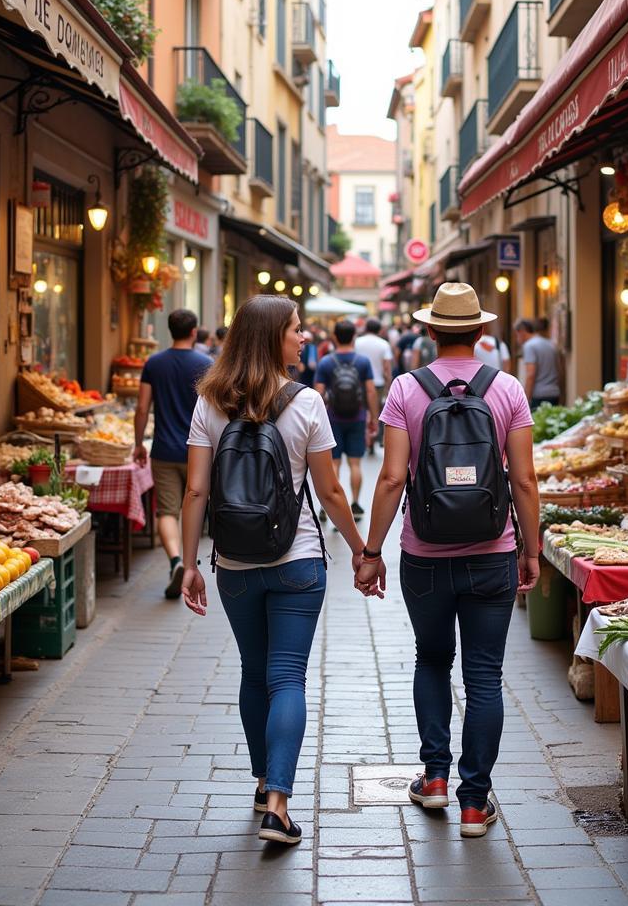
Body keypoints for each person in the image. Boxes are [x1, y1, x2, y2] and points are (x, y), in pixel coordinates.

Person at [178, 296, 369, 846]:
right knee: (287, 676)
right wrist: (361, 550)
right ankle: (279, 806)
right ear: (270, 338)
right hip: (298, 560)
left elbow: (195, 490)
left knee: (252, 672)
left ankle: (264, 784)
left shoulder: (209, 402)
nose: (304, 336)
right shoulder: (306, 402)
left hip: (234, 564)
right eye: (294, 329)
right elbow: (331, 491)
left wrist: (189, 564)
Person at [357, 282, 541, 838]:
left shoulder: (405, 390)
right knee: (484, 675)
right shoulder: (506, 388)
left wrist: (371, 552)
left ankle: (435, 778)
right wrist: (531, 551)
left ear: (430, 331)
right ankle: (473, 802)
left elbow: (391, 478)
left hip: (424, 554)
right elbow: (525, 480)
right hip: (494, 552)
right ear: (482, 333)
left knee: (432, 659)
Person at [134, 309, 212, 599]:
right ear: (194, 332)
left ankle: (176, 560)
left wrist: (138, 442)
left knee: (166, 510)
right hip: (199, 450)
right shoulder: (206, 363)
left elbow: (142, 407)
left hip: (164, 448)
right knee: (196, 502)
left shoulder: (154, 363)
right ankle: (193, 562)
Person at [314, 320, 378, 518]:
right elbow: (370, 390)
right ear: (354, 337)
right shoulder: (362, 362)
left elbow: (318, 392)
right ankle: (356, 504)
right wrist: (373, 417)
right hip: (357, 417)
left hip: (332, 418)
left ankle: (328, 505)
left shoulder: (326, 362)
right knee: (355, 464)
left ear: (334, 337)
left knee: (334, 464)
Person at [354, 318, 394, 453]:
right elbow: (387, 368)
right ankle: (373, 438)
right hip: (378, 383)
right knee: (375, 411)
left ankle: (364, 438)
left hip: (358, 382)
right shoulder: (384, 344)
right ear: (379, 330)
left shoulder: (357, 342)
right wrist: (389, 384)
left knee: (362, 410)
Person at [514, 317, 562, 410]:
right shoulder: (550, 344)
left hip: (539, 395)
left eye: (517, 334)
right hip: (554, 392)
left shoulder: (529, 346)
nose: (517, 339)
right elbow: (559, 370)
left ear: (522, 331)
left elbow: (530, 375)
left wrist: (525, 399)